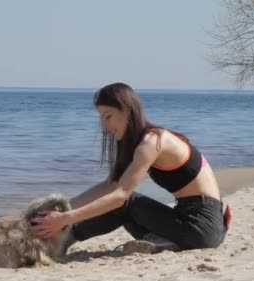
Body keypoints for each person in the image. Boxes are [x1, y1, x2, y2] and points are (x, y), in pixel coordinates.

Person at [32, 82, 230, 254]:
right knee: (123, 205)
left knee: (125, 202)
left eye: (107, 116)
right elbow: (110, 185)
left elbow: (120, 196)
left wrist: (65, 219)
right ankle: (161, 241)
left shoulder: (152, 142)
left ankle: (65, 240)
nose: (104, 125)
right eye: (100, 118)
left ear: (126, 111)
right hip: (199, 224)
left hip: (200, 226)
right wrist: (61, 209)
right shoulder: (141, 142)